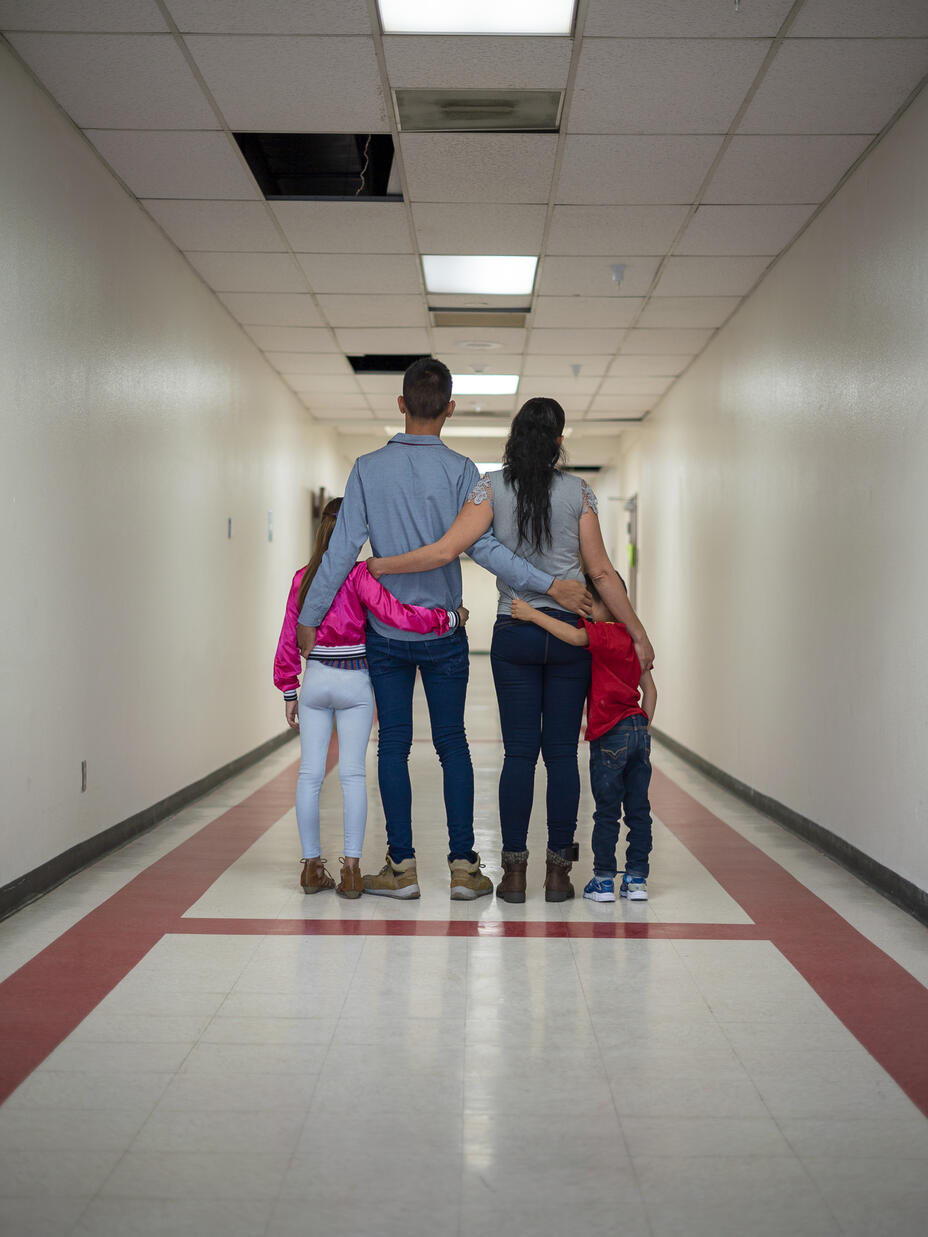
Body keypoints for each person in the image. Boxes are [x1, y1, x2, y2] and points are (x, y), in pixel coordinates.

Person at [296, 360, 589, 900]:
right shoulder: (462, 472)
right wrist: (550, 585)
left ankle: (402, 868)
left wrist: (308, 619)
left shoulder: (366, 468)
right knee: (453, 744)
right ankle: (462, 868)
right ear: (450, 409)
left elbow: (341, 552)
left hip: (386, 633)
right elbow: (486, 548)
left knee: (393, 747)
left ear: (400, 404)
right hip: (446, 634)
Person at [368, 396, 654, 903]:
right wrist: (636, 631)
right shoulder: (579, 493)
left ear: (514, 437)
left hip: (515, 632)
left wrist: (383, 566)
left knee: (519, 755)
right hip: (570, 635)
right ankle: (559, 874)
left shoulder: (490, 487)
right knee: (562, 754)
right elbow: (604, 572)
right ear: (560, 442)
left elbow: (448, 548)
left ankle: (515, 876)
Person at [274, 497, 465, 899]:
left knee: (309, 775)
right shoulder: (361, 576)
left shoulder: (302, 578)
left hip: (316, 682)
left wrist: (289, 688)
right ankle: (351, 871)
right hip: (355, 680)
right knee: (352, 774)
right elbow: (400, 615)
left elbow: (289, 637)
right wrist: (448, 618)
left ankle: (311, 868)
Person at [510, 576, 656, 902]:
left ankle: (604, 880)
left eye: (592, 603)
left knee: (606, 812)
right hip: (637, 732)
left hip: (609, 737)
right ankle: (636, 880)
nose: (587, 609)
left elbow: (574, 636)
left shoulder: (602, 633)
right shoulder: (634, 642)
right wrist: (643, 730)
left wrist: (532, 614)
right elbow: (651, 692)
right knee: (638, 811)